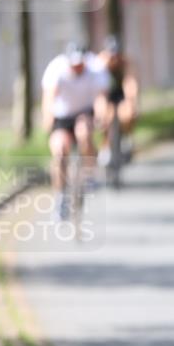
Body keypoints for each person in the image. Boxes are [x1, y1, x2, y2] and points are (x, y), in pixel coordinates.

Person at [41, 42, 110, 219]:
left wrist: (101, 118)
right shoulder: (56, 69)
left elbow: (101, 98)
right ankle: (60, 196)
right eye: (74, 64)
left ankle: (89, 172)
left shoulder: (95, 68)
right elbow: (49, 99)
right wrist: (48, 122)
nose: (78, 68)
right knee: (59, 151)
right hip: (62, 116)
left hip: (84, 112)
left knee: (84, 133)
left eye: (80, 64)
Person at [94, 35, 139, 166]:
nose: (114, 58)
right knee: (105, 116)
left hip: (121, 94)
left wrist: (132, 102)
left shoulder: (126, 64)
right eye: (111, 55)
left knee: (128, 113)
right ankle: (105, 145)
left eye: (116, 55)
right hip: (105, 94)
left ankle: (126, 137)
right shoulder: (99, 65)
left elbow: (130, 84)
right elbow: (98, 91)